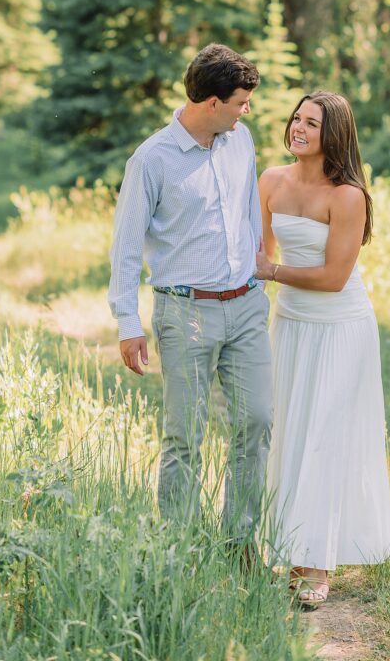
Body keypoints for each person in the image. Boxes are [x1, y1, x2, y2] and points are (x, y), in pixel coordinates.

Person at [108, 44, 272, 545]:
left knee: (257, 421)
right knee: (184, 435)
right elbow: (126, 247)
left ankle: (241, 543)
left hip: (245, 306)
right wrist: (128, 324)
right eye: (241, 102)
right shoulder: (151, 160)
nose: (248, 110)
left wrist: (259, 274)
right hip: (186, 312)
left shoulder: (240, 141)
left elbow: (249, 213)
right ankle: (178, 547)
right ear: (212, 103)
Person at [255, 90, 390, 607]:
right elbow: (255, 254)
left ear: (332, 133)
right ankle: (285, 545)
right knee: (288, 430)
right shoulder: (271, 180)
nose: (298, 128)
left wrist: (273, 272)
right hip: (290, 323)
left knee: (323, 436)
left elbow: (335, 278)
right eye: (296, 118)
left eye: (311, 123)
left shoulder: (348, 196)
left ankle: (314, 563)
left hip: (340, 327)